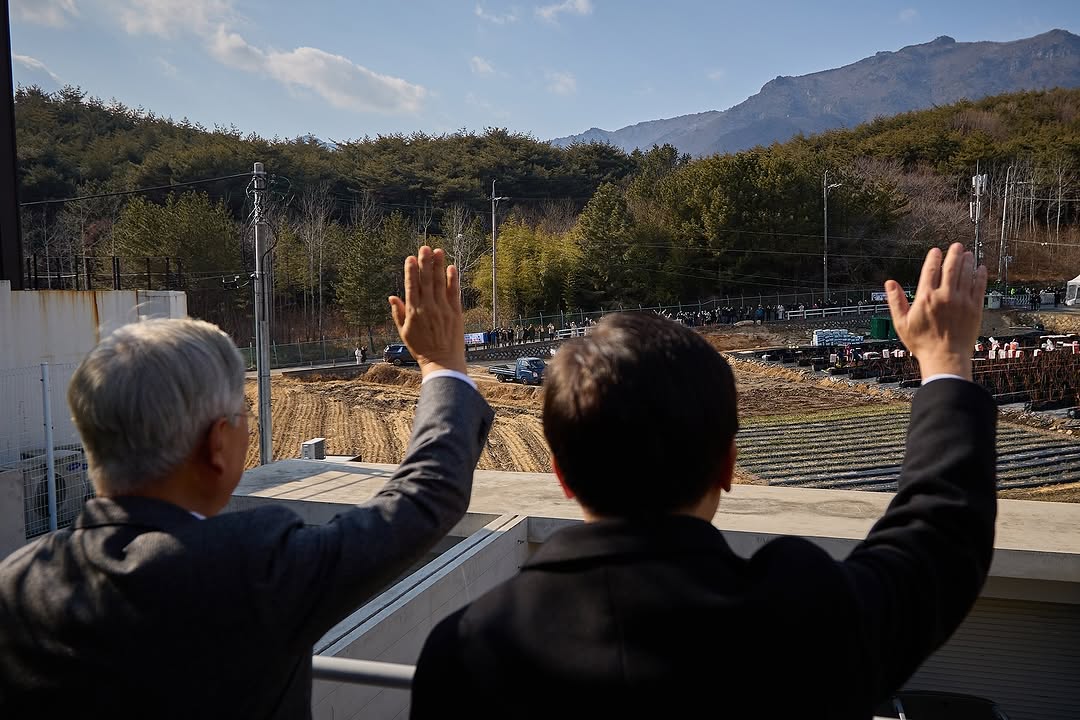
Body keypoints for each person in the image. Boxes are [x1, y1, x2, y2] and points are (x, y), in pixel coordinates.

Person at [411, 243, 995, 719]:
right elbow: (938, 538)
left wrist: (440, 368)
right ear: (727, 466)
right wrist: (945, 363)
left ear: (562, 473)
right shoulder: (802, 618)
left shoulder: (463, 653)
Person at [0, 247, 493, 719]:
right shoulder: (253, 565)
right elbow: (424, 498)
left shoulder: (18, 582)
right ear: (217, 444)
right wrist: (442, 367)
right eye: (242, 416)